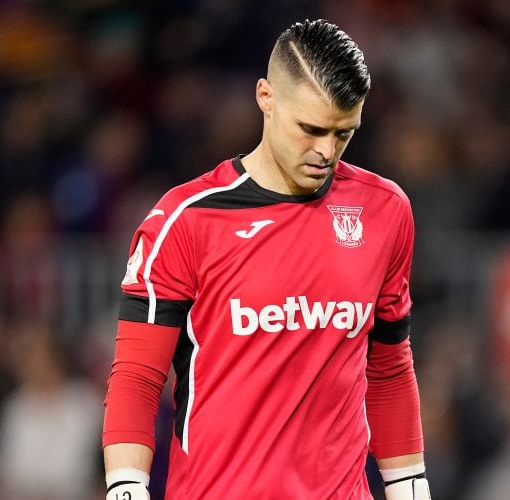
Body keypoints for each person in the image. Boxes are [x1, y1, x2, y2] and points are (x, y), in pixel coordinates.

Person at [101, 19, 430, 500]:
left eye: (344, 133)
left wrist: (411, 487)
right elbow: (137, 375)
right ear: (266, 97)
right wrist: (126, 487)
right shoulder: (186, 220)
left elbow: (389, 367)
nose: (326, 151)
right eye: (311, 129)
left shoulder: (384, 211)